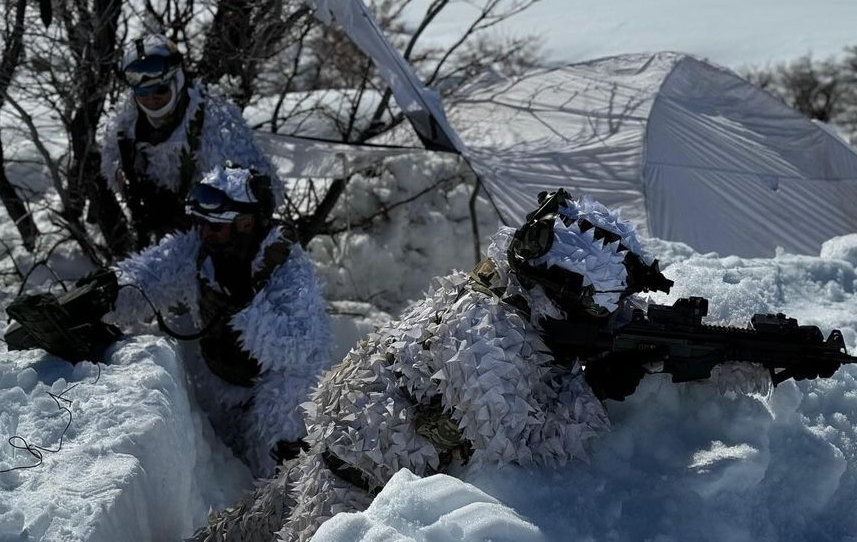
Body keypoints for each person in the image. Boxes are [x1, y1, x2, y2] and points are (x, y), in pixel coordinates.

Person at [190, 189, 755, 541]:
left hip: (341, 437)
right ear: (555, 294)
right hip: (350, 479)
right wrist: (593, 393)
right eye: (600, 306)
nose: (613, 316)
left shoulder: (514, 295)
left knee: (250, 523)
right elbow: (517, 447)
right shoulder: (486, 342)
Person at [106, 164, 330, 478]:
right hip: (221, 386)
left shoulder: (286, 268)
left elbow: (299, 345)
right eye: (200, 223)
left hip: (280, 400)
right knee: (229, 473)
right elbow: (147, 278)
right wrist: (102, 297)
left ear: (245, 224)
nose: (204, 233)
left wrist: (246, 303)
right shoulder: (199, 251)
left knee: (282, 478)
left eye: (215, 226)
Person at [100, 34, 278, 250]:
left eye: (160, 89)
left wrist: (203, 204)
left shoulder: (217, 121)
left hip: (217, 246)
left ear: (177, 80)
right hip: (158, 246)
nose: (151, 98)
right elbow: (112, 170)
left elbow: (267, 190)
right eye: (142, 91)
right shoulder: (124, 125)